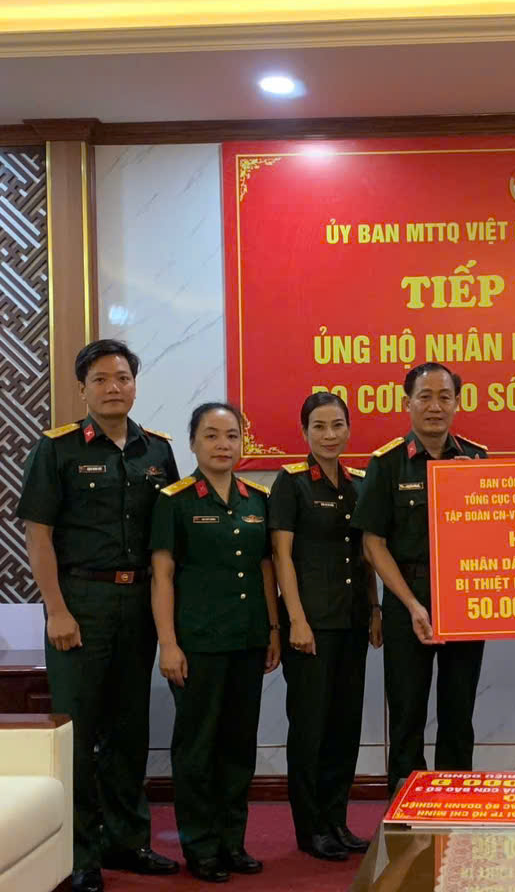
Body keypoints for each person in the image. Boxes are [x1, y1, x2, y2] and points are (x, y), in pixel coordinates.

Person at [17, 339, 181, 892]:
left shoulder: (157, 451)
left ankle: (127, 841)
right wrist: (56, 610)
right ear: (82, 389)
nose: (115, 388)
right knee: (80, 732)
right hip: (80, 603)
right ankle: (80, 852)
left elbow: (166, 538)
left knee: (130, 728)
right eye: (102, 380)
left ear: (135, 385)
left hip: (138, 604)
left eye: (123, 378)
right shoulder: (57, 449)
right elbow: (38, 537)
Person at [150, 402, 282, 883]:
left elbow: (266, 568)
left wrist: (273, 629)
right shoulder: (175, 500)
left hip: (247, 639)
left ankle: (232, 841)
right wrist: (168, 643)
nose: (223, 445)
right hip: (198, 643)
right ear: (193, 443)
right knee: (198, 748)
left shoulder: (256, 499)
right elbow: (162, 576)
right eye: (211, 435)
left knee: (238, 745)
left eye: (231, 436)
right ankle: (201, 846)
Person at [352, 362, 487, 795]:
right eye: (424, 397)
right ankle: (406, 803)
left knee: (458, 710)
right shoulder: (388, 463)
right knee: (407, 710)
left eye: (444, 397)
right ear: (407, 403)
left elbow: (494, 535)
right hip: (406, 597)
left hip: (465, 599)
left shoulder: (476, 459)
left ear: (457, 403)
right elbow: (373, 544)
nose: (435, 406)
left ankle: (455, 799)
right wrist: (411, 604)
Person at [270, 392, 382, 862]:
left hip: (352, 620)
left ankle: (336, 820)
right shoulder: (291, 483)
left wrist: (374, 608)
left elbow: (367, 552)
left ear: (349, 429)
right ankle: (311, 827)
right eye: (319, 426)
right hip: (311, 625)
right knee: (311, 728)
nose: (329, 435)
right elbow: (281, 556)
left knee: (344, 725)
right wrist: (295, 619)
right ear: (304, 432)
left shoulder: (358, 484)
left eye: (337, 425)